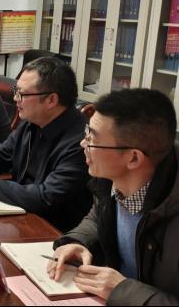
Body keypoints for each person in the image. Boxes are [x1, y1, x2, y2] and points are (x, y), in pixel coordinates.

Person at [49, 89, 179, 305]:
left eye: (92, 139)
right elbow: (98, 216)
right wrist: (78, 241)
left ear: (133, 158)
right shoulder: (112, 178)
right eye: (86, 133)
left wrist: (122, 291)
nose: (83, 144)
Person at [0, 56, 92, 231]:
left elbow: (47, 197)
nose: (15, 98)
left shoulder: (81, 142)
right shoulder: (32, 122)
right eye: (16, 90)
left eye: (23, 94)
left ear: (51, 100)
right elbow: (1, 154)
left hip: (54, 229)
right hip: (21, 212)